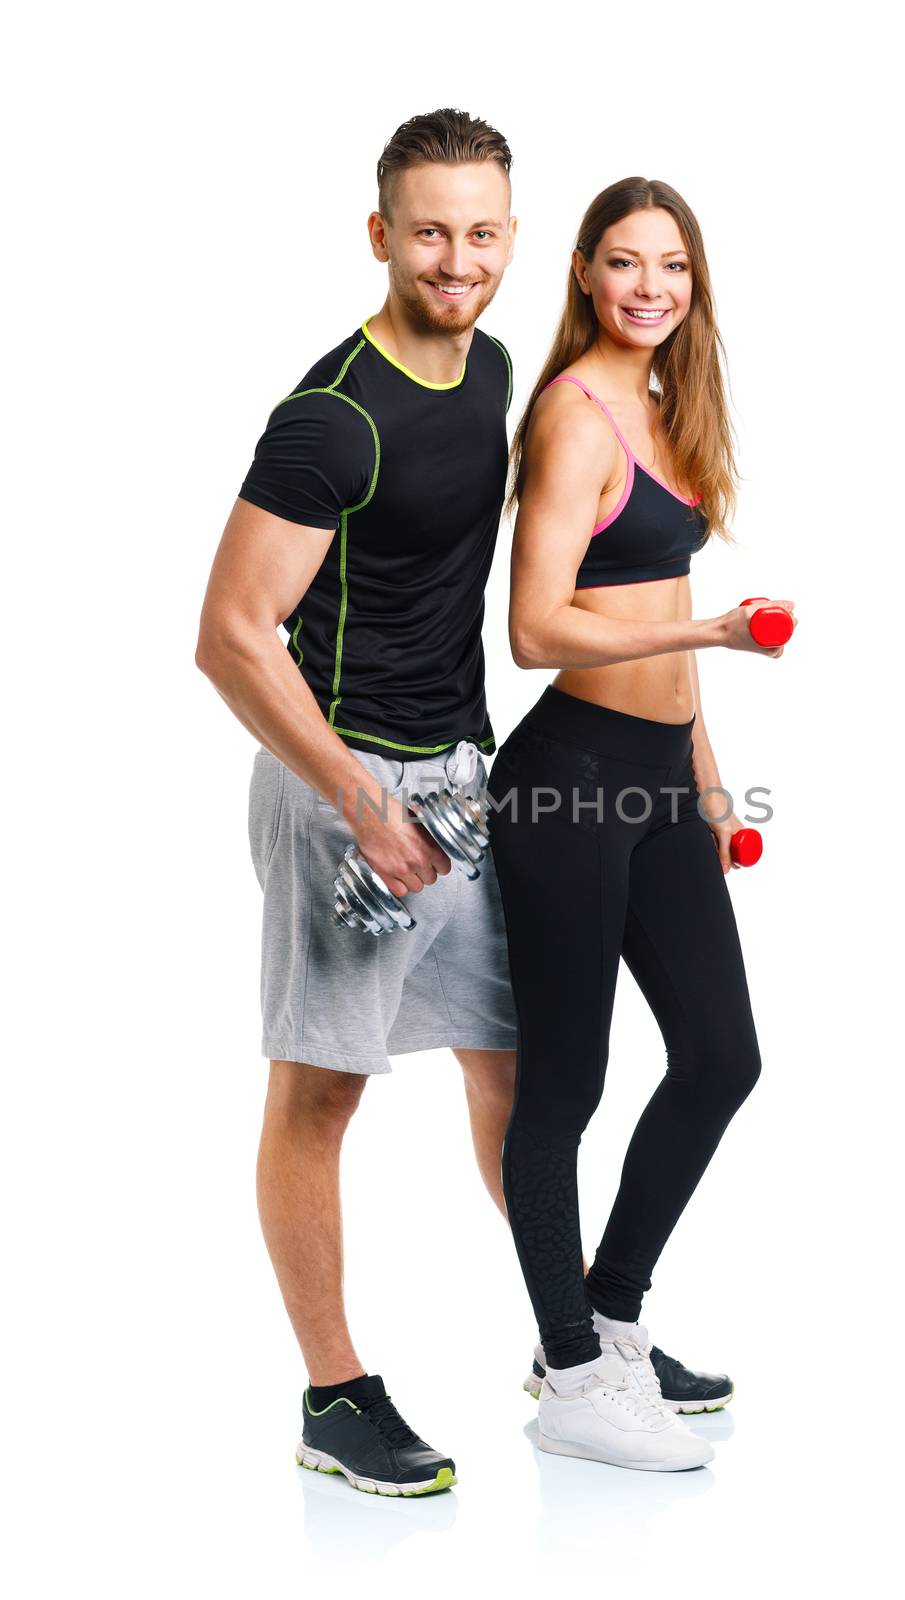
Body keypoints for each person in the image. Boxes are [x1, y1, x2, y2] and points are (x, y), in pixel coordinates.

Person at [195, 108, 520, 1497]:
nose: (458, 260)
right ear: (380, 236)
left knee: (522, 1072)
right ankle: (335, 1399)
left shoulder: (492, 366)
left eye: (484, 232)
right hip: (347, 789)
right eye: (431, 232)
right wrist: (357, 802)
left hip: (460, 776)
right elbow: (228, 632)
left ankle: (576, 1341)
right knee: (324, 1092)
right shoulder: (330, 418)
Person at [485, 176, 796, 1471]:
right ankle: (567, 1375)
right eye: (625, 263)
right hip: (565, 782)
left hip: (660, 778)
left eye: (671, 266)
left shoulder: (669, 409)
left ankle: (611, 1317)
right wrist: (711, 630)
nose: (649, 288)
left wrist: (711, 792)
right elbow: (533, 627)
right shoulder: (573, 419)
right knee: (563, 1083)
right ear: (582, 273)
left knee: (722, 1056)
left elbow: (657, 595)